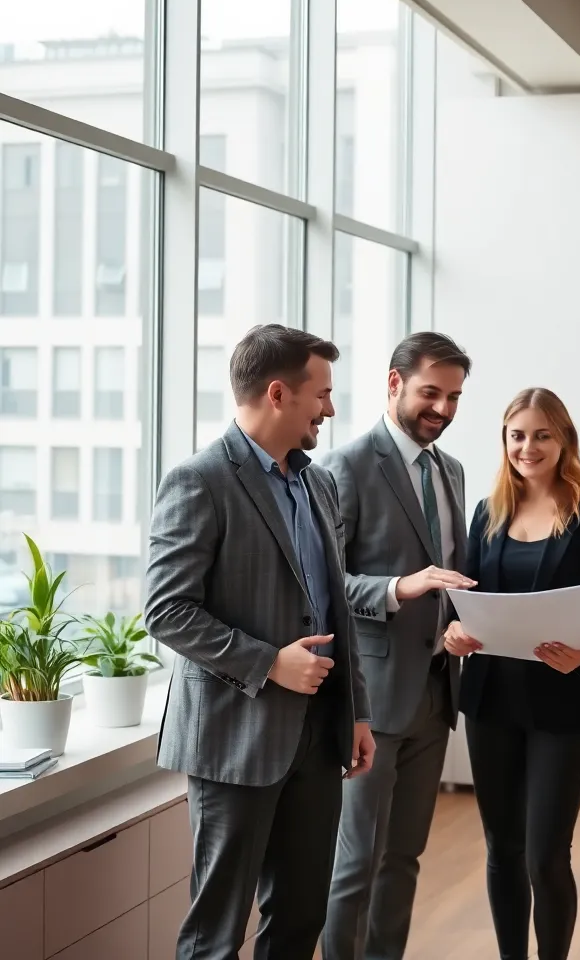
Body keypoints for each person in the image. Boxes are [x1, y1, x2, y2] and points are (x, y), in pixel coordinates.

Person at [145, 324, 375, 960]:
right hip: (234, 738)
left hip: (318, 734)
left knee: (301, 920)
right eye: (321, 395)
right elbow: (166, 610)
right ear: (278, 394)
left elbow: (335, 609)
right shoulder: (199, 480)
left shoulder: (317, 482)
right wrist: (269, 662)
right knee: (217, 932)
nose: (330, 409)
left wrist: (356, 712)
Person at [445, 387, 580, 960]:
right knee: (501, 845)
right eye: (518, 435)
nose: (528, 446)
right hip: (491, 696)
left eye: (542, 434)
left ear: (564, 440)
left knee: (547, 853)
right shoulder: (488, 512)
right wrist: (454, 632)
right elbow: (466, 600)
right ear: (504, 441)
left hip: (563, 700)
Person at [321, 332, 475, 960]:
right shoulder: (346, 466)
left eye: (454, 397)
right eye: (430, 393)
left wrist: (462, 621)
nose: (442, 408)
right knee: (355, 862)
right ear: (394, 383)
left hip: (436, 694)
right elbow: (326, 584)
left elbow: (453, 577)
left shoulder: (452, 470)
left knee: (405, 857)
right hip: (373, 700)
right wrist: (397, 588)